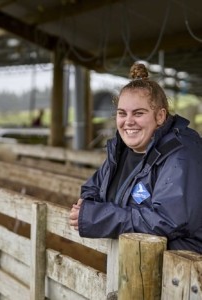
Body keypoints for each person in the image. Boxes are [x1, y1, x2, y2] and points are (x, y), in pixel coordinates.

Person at [69, 63, 202, 253]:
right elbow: (93, 187)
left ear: (160, 116)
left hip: (181, 271)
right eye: (122, 113)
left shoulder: (182, 155)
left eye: (139, 113)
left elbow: (168, 221)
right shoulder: (121, 151)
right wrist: (87, 205)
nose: (128, 121)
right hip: (135, 264)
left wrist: (96, 217)